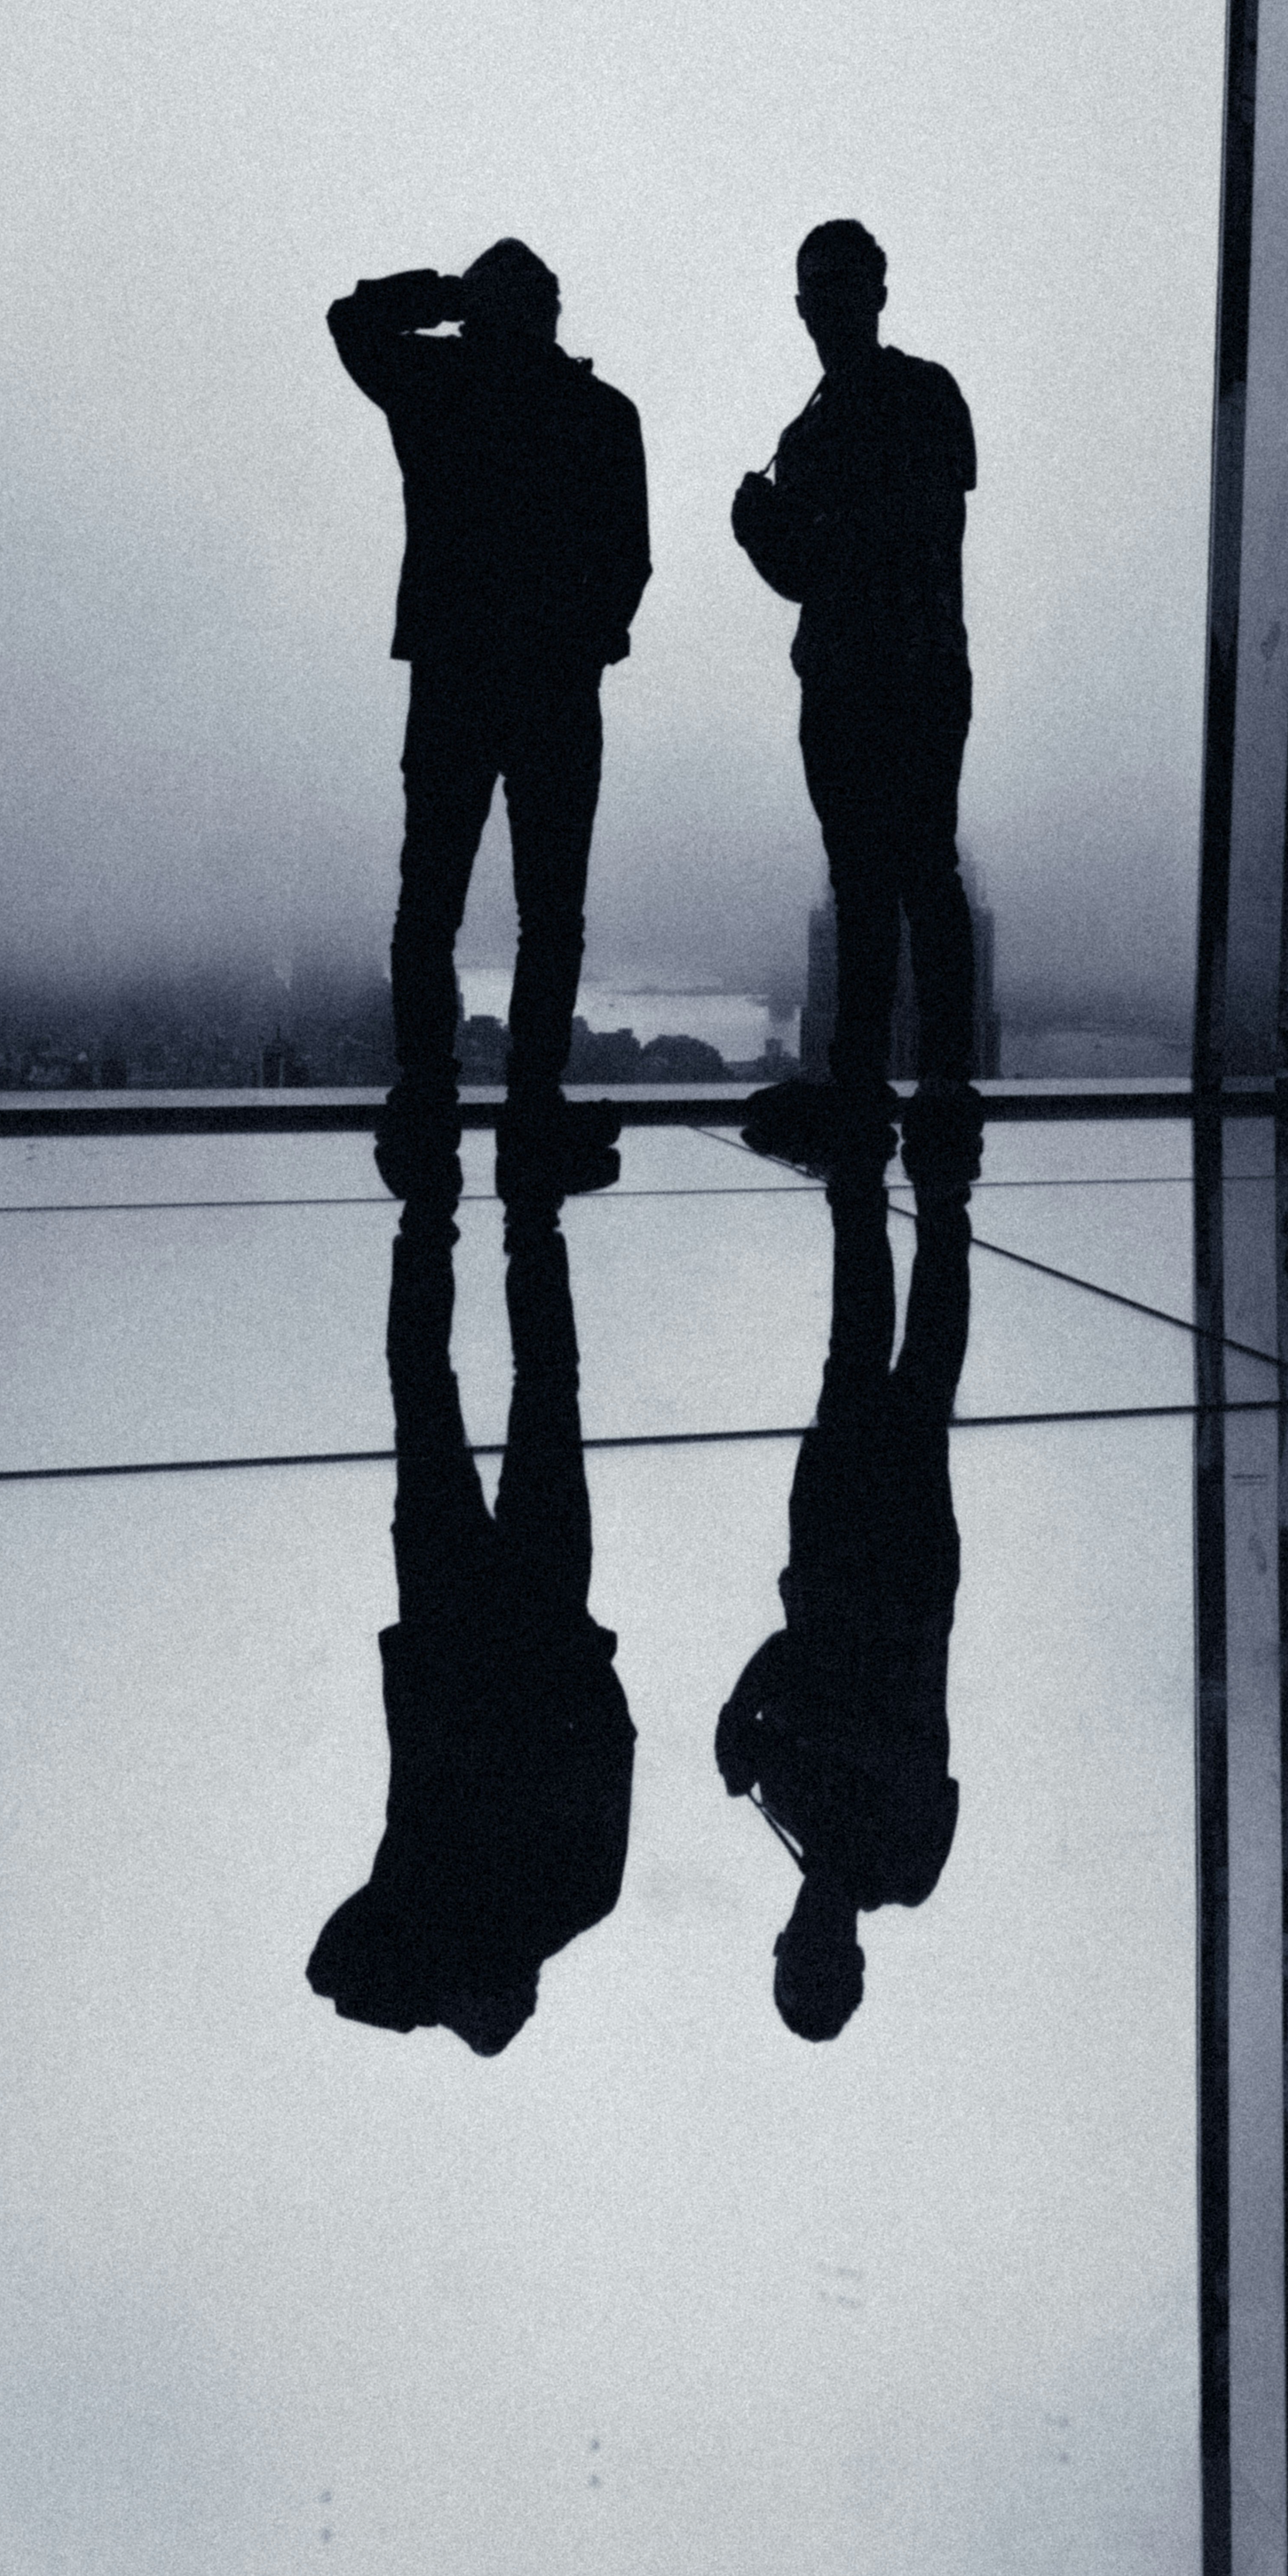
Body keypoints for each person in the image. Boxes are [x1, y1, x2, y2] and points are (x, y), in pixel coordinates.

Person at [327, 240, 649, 1192]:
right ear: (551, 312)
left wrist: (441, 296)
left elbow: (351, 320)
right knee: (546, 915)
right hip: (552, 690)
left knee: (433, 904)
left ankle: (429, 1099)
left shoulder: (438, 386)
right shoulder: (598, 412)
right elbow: (629, 561)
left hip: (458, 679)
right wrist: (587, 641)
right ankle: (530, 1108)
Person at [305, 1154, 635, 2054]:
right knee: (432, 1390)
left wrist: (581, 1658)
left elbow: (614, 1743)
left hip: (532, 1616)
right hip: (463, 1625)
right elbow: (332, 1971)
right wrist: (429, 1996)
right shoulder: (431, 1911)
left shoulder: (569, 1900)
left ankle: (524, 1208)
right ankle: (436, 1208)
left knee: (539, 1388)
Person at [730, 218, 982, 1176]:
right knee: (901, 878)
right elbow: (847, 554)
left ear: (872, 295)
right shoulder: (909, 399)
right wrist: (769, 534)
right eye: (821, 294)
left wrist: (769, 530)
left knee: (892, 879)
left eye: (839, 290)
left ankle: (886, 1079)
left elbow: (858, 547)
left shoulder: (864, 414)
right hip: (893, 671)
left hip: (877, 675)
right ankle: (919, 1080)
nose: (828, 310)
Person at [713, 1159, 969, 2039]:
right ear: (846, 1957)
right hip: (888, 1573)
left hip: (851, 1562)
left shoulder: (801, 1804)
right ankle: (888, 1185)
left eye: (798, 1950)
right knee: (898, 1372)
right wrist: (749, 1723)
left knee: (882, 1365)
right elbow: (903, 1749)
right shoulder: (899, 1866)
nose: (809, 1934)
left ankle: (906, 1187)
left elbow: (806, 1673)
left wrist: (745, 1717)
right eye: (819, 1954)